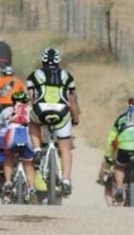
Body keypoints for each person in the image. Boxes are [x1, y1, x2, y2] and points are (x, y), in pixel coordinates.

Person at [26, 48, 81, 196]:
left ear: (42, 61)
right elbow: (72, 100)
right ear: (58, 61)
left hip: (41, 109)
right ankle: (66, 180)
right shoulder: (66, 76)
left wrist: (35, 108)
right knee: (65, 147)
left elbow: (31, 96)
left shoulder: (35, 75)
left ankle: (37, 150)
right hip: (62, 111)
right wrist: (75, 118)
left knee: (33, 122)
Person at [0, 91, 37, 202]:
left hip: (12, 134)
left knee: (8, 156)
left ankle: (8, 181)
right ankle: (31, 188)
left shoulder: (6, 111)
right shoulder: (32, 110)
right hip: (27, 135)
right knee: (28, 163)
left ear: (13, 101)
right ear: (27, 101)